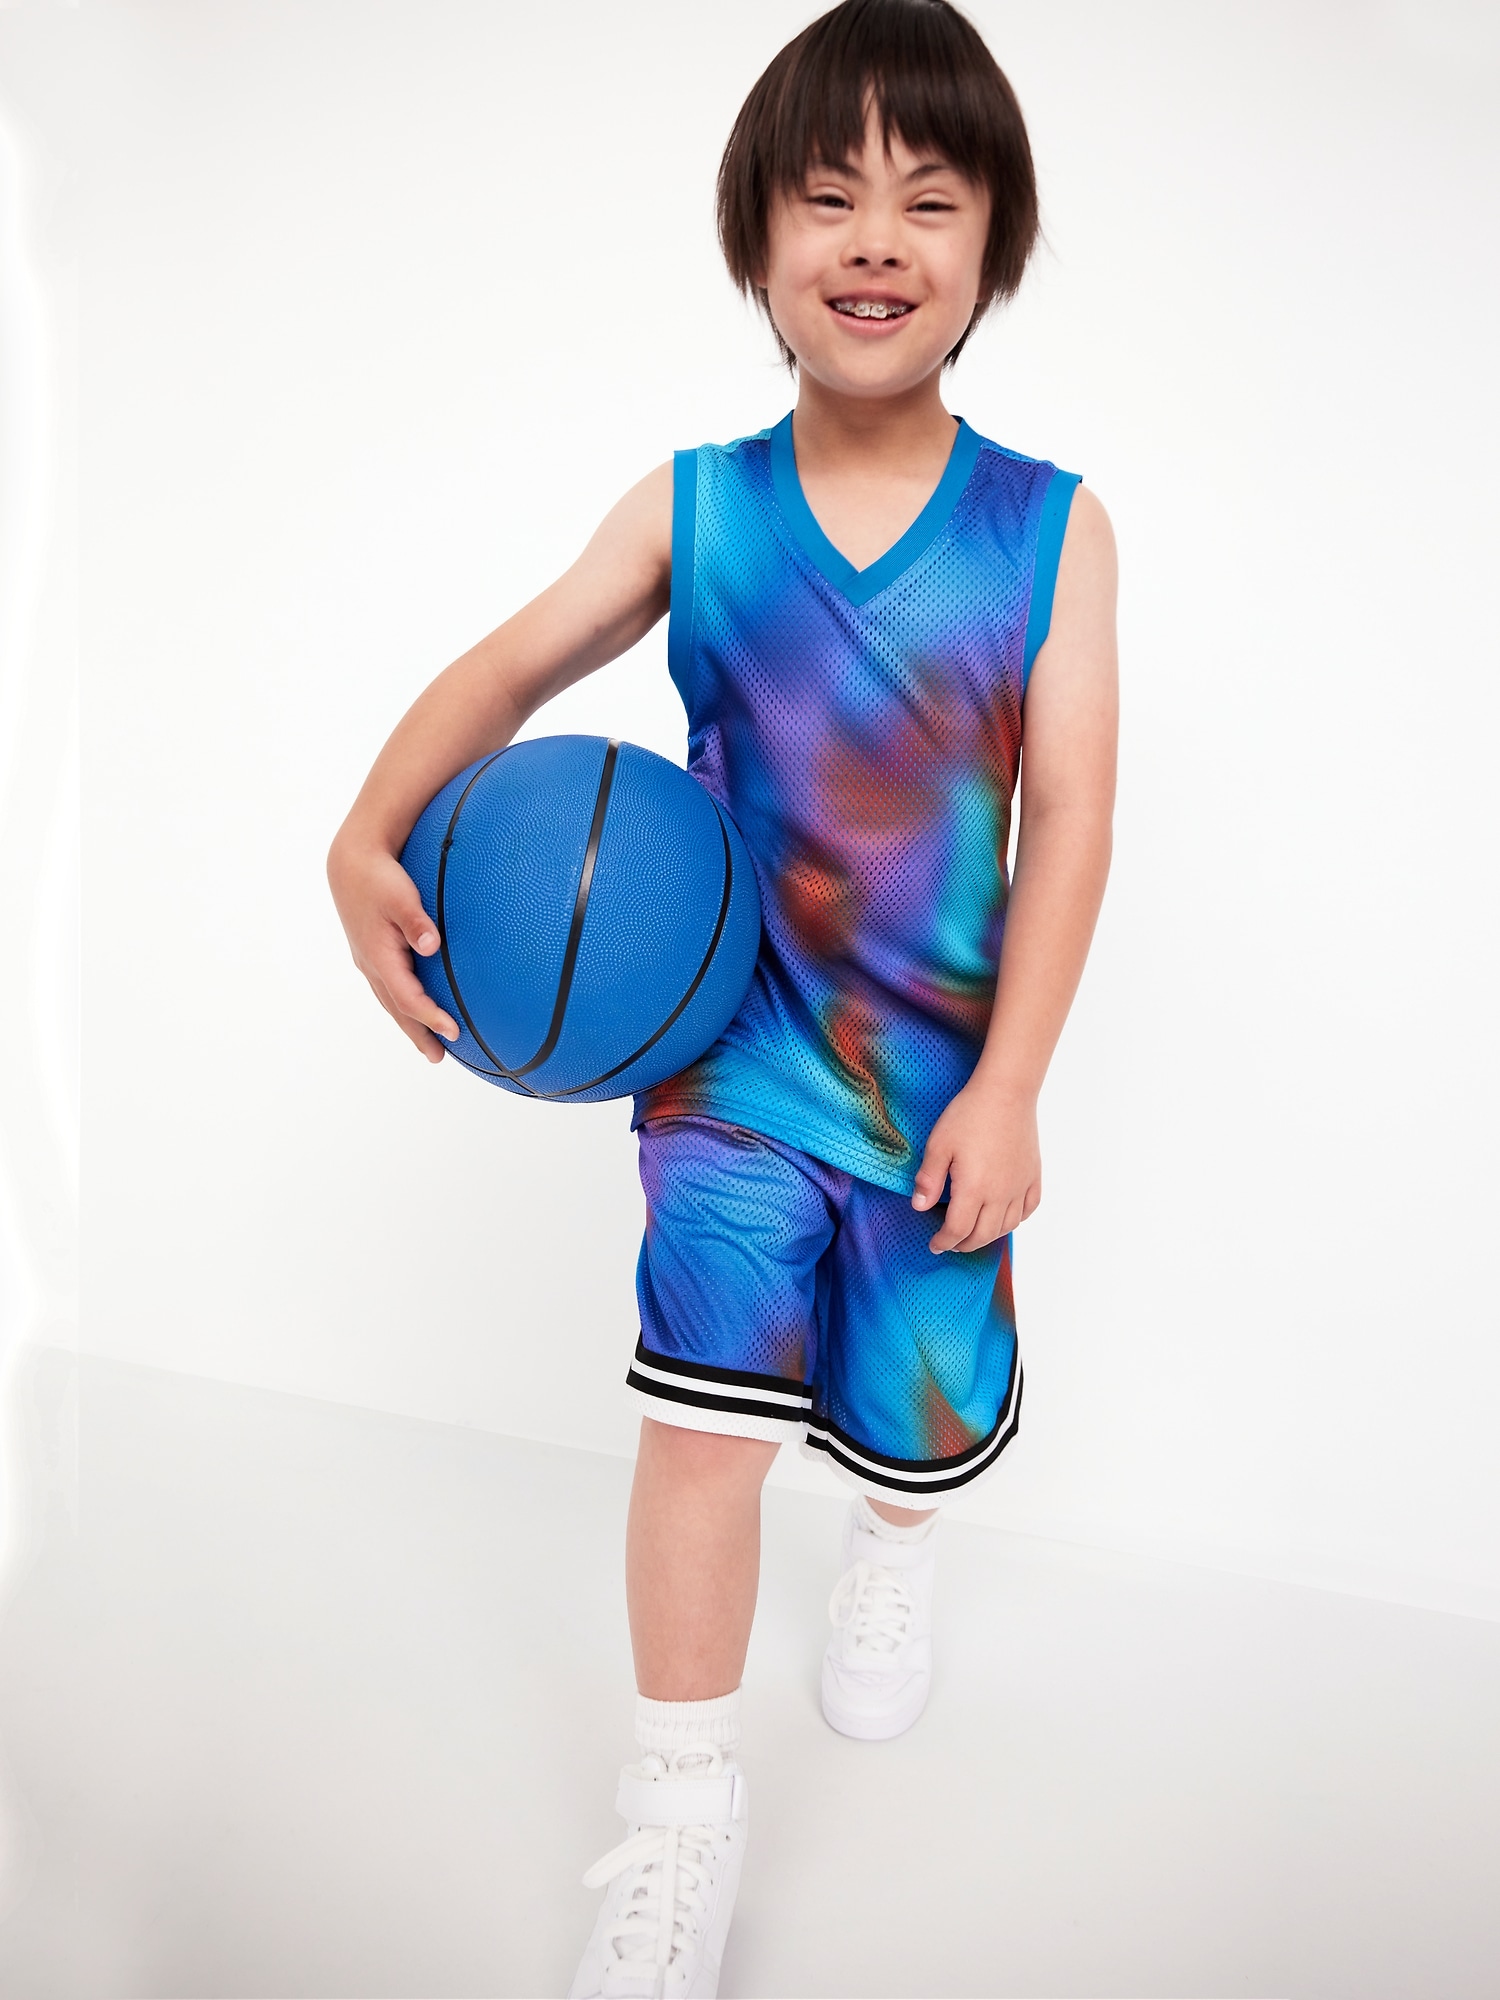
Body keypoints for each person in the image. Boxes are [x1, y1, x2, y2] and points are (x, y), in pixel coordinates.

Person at [328, 0, 1117, 1989]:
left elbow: (1075, 818)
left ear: (996, 248)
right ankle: (680, 1815)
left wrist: (1014, 1083)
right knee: (698, 1432)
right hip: (731, 1065)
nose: (875, 237)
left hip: (934, 1079)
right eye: (827, 195)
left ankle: (897, 1545)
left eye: (928, 199)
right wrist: (364, 835)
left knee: (916, 1419)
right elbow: (512, 668)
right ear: (756, 240)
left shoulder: (1049, 529)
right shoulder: (693, 504)